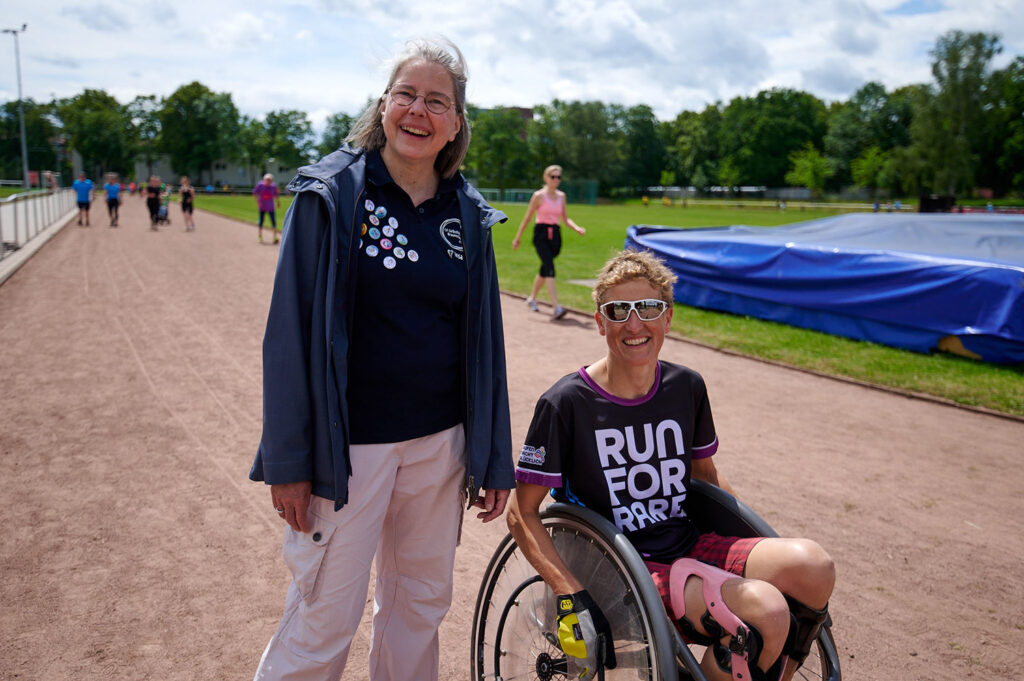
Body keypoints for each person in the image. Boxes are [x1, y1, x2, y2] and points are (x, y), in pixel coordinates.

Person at [249, 37, 514, 681]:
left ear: (456, 124)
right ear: (383, 105)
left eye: (436, 102)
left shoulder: (466, 214)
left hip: (439, 448)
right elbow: (287, 335)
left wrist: (493, 454)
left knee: (418, 607)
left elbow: (486, 345)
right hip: (350, 451)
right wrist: (289, 460)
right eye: (406, 96)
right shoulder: (333, 194)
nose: (418, 112)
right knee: (323, 617)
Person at [506, 249, 835, 681]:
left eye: (648, 308)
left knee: (813, 566)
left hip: (684, 545)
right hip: (617, 566)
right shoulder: (565, 403)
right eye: (618, 310)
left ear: (668, 317)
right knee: (766, 610)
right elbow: (521, 511)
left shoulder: (686, 387)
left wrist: (750, 551)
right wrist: (568, 591)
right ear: (600, 321)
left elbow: (706, 478)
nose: (634, 323)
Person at [511, 165, 586, 320]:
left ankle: (532, 298)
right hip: (541, 234)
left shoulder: (561, 196)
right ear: (546, 177)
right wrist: (517, 237)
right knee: (550, 268)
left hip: (556, 235)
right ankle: (556, 307)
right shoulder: (538, 196)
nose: (556, 180)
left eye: (558, 177)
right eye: (553, 176)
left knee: (545, 268)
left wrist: (577, 228)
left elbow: (565, 219)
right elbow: (528, 218)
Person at [253, 173, 281, 243]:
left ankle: (275, 237)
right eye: (267, 180)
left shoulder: (273, 186)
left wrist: (278, 202)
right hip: (262, 206)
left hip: (271, 207)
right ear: (264, 180)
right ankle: (260, 236)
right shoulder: (260, 185)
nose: (268, 181)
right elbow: (255, 193)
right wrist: (258, 202)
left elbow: (276, 195)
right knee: (261, 221)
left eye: (270, 180)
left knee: (273, 222)